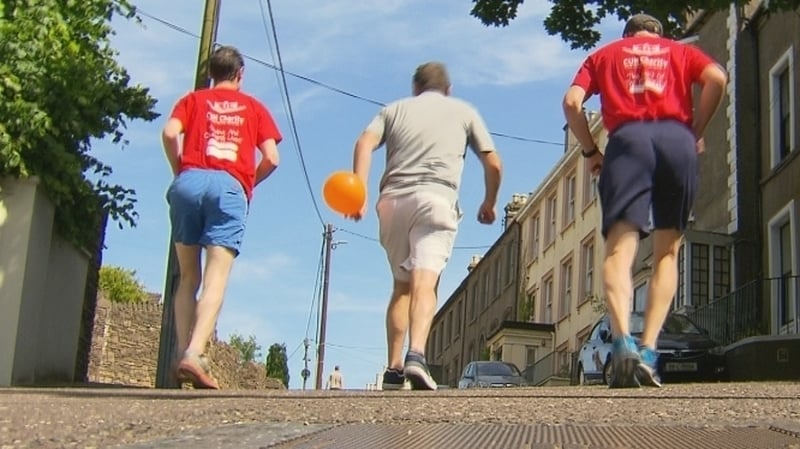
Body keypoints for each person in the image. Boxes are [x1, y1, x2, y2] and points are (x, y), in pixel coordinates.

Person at [562, 14, 727, 388]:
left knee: (620, 251)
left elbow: (572, 102)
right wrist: (695, 131)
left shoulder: (604, 55)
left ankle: (622, 343)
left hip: (627, 143)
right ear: (659, 35)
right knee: (667, 252)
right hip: (676, 141)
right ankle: (649, 353)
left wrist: (591, 152)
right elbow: (717, 78)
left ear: (626, 35)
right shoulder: (679, 52)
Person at [348, 62, 503, 390]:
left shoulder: (393, 110)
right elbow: (493, 162)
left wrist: (358, 191)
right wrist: (489, 203)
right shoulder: (463, 111)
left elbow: (363, 143)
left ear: (415, 88)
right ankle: (416, 356)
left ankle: (392, 368)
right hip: (436, 199)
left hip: (392, 202)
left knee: (401, 286)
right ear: (448, 90)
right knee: (425, 284)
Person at [161, 45, 282, 389]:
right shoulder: (255, 108)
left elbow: (170, 133)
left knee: (188, 278)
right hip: (229, 188)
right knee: (216, 278)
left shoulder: (192, 100)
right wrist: (246, 184)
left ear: (211, 72)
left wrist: (180, 171)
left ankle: (183, 350)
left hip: (188, 181)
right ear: (240, 74)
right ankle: (196, 353)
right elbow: (272, 158)